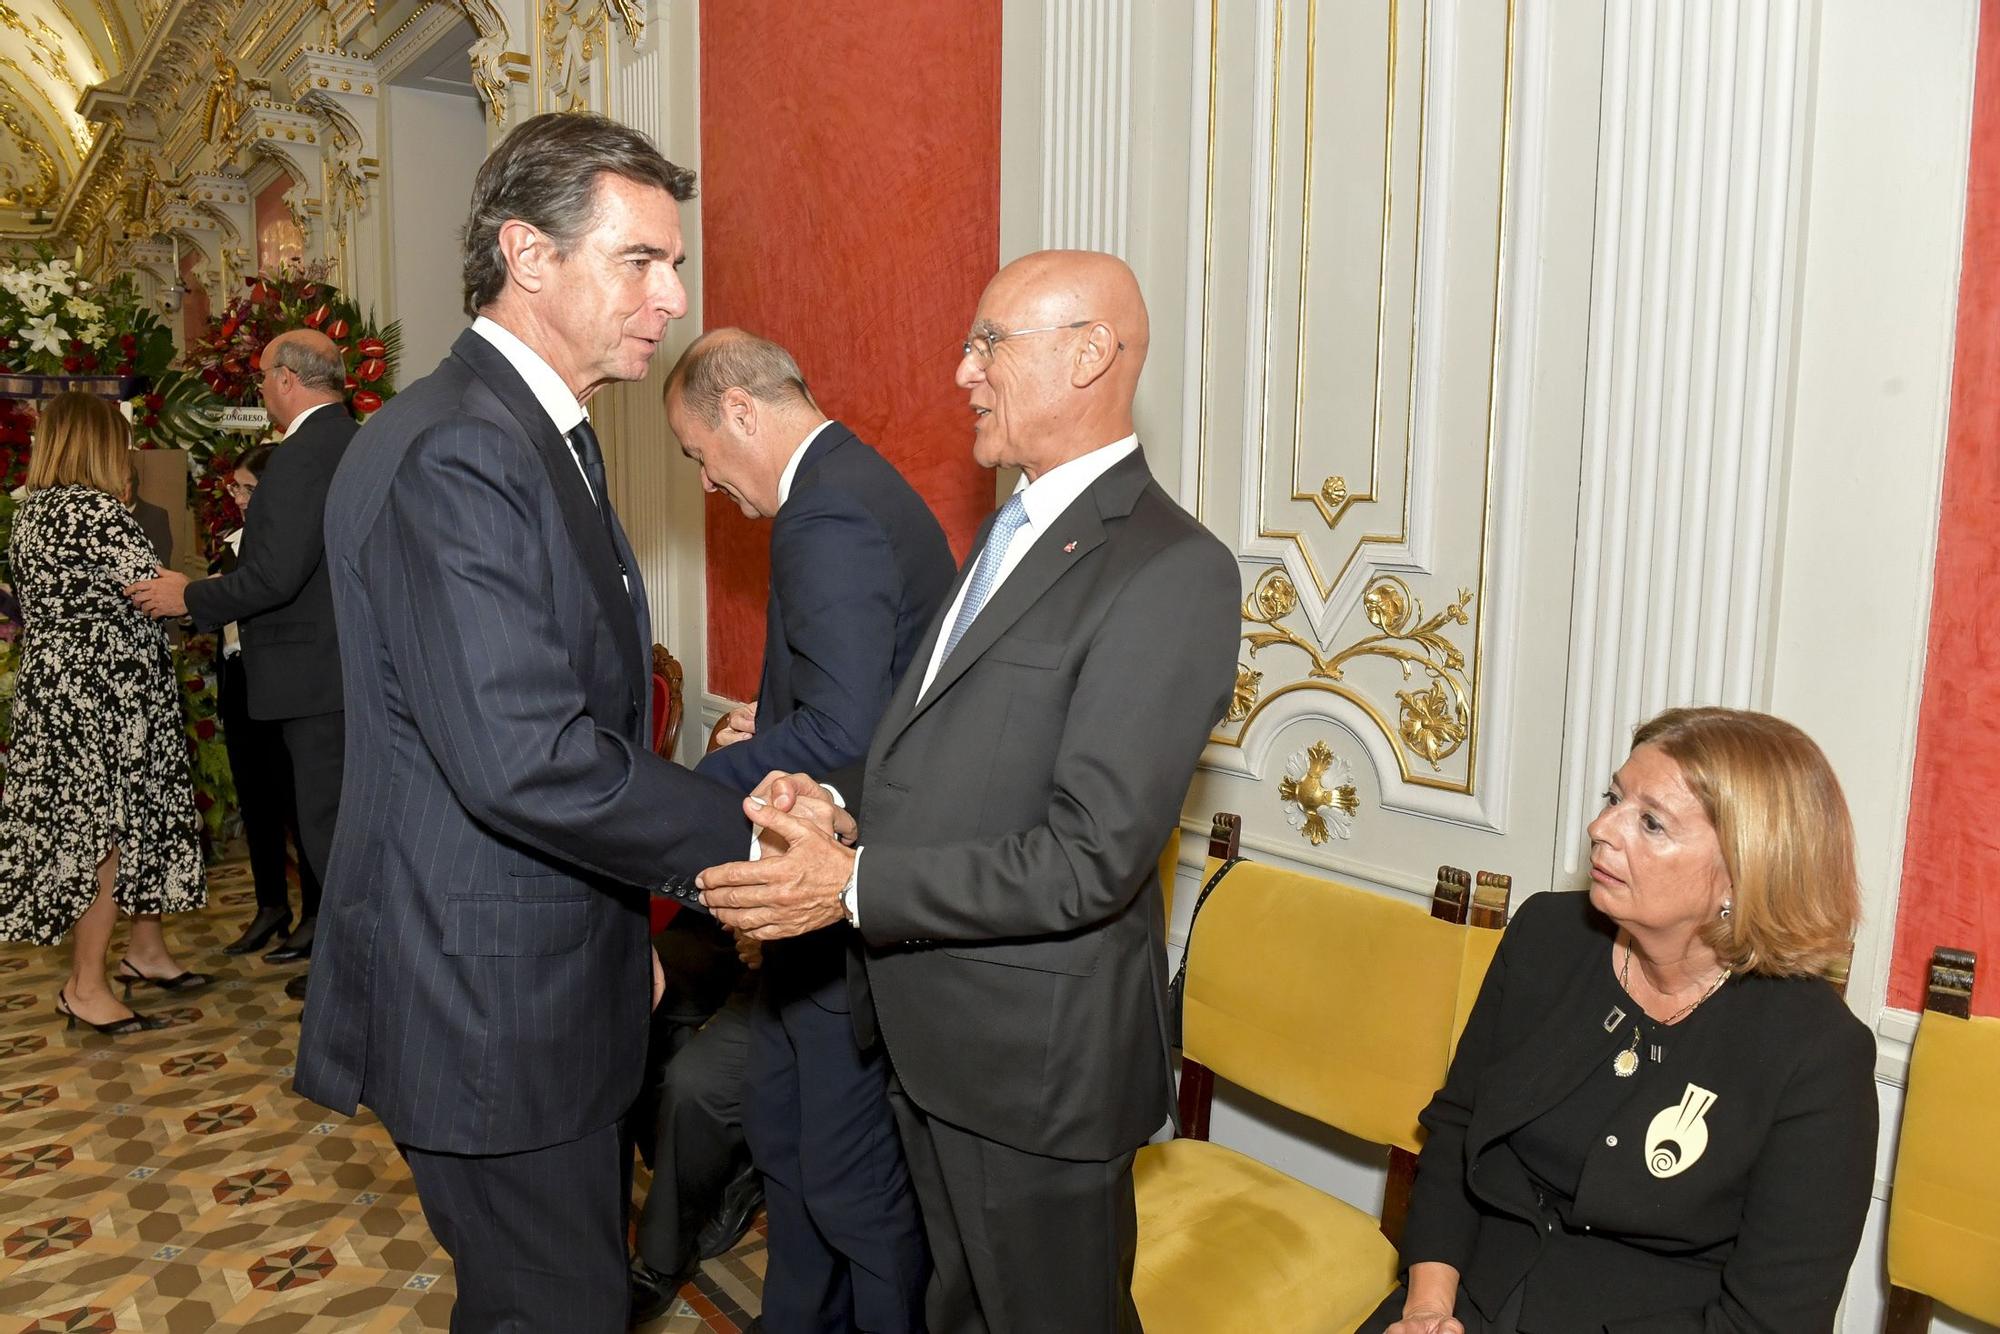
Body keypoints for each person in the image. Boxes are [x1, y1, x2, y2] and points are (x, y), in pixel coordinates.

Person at [697, 250, 1241, 1334]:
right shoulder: (1012, 526)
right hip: (936, 1040)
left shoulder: (1170, 568)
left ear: (1090, 352)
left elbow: (1089, 855)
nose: (963, 372)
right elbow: (944, 760)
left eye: (989, 342)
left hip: (1034, 1075)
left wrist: (852, 883)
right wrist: (842, 804)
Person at [290, 111, 750, 1334]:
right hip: (482, 998)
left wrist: (613, 946)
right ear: (527, 255)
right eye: (641, 258)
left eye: (675, 260)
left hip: (534, 968)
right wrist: (747, 838)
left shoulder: (528, 430)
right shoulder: (459, 449)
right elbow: (525, 755)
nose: (674, 292)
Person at [1362, 707, 1877, 1333]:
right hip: (1472, 1291)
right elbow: (1457, 1129)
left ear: (1744, 875)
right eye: (1614, 798)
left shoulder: (1816, 1054)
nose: (1600, 827)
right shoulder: (1547, 935)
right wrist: (1426, 1309)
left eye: (1651, 823)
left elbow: (1770, 1322)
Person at [641, 329, 952, 1332]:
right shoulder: (847, 487)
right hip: (824, 905)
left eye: (698, 454)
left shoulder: (825, 512)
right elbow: (847, 709)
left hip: (850, 901)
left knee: (847, 1179)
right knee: (786, 1137)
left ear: (739, 412)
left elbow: (845, 731)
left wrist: (668, 796)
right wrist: (766, 735)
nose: (709, 483)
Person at [126, 329, 357, 992]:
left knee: (328, 836)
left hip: (313, 676)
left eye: (261, 380)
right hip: (344, 670)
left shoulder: (301, 455)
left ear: (286, 378)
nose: (261, 392)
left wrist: (188, 595)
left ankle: (352, 984)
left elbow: (273, 576)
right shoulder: (356, 439)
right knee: (336, 831)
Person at [0, 392, 207, 1032]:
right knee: (106, 837)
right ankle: (85, 985)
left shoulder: (33, 512)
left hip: (58, 688)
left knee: (118, 822)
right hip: (106, 697)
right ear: (100, 444)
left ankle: (145, 951)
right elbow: (156, 591)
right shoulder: (96, 512)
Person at [208, 444, 323, 959]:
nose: (239, 499)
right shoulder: (231, 541)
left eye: (247, 488)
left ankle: (316, 913)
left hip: (282, 681)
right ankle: (270, 905)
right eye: (234, 488)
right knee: (255, 799)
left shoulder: (285, 540)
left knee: (298, 803)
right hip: (239, 678)